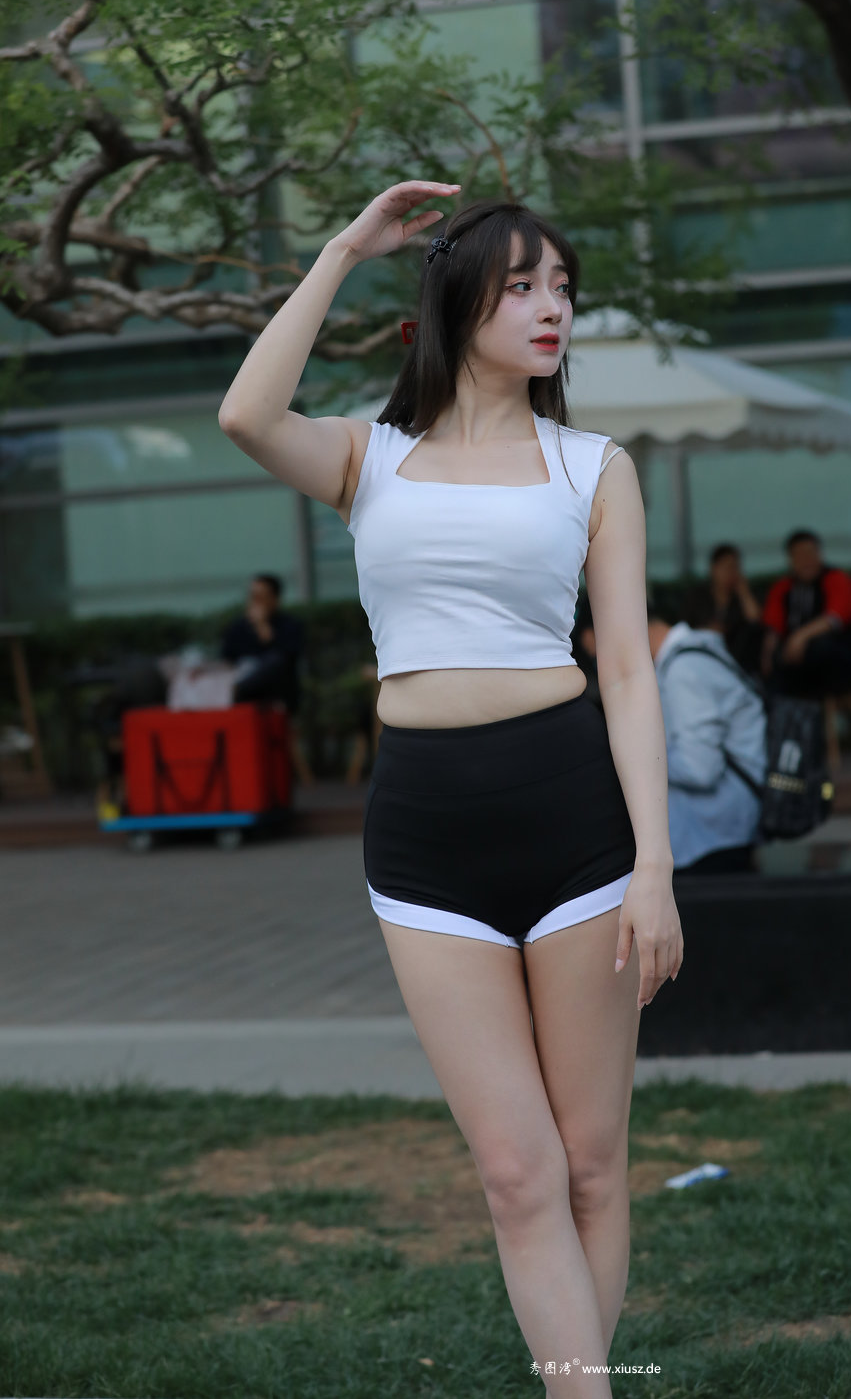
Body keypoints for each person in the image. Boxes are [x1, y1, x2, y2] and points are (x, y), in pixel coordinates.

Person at [218, 181, 682, 1395]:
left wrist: (655, 866)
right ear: (456, 302)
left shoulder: (593, 468)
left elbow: (626, 673)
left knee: (590, 1166)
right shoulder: (369, 458)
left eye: (562, 287)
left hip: (574, 821)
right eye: (522, 286)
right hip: (425, 837)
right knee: (517, 1175)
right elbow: (246, 413)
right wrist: (341, 249)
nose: (552, 308)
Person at [648, 586, 767, 874]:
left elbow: (700, 768)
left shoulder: (683, 669)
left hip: (715, 834)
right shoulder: (698, 649)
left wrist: (639, 761)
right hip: (731, 823)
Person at [762, 528, 851, 699]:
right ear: (790, 559)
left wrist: (800, 636)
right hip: (795, 662)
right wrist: (767, 656)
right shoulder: (783, 587)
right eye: (800, 555)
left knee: (822, 646)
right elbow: (773, 628)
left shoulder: (836, 578)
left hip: (840, 660)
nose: (806, 560)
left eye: (810, 553)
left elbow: (835, 618)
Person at [220, 572, 304, 715]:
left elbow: (288, 658)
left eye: (260, 597)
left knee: (275, 661)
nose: (255, 602)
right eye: (252, 596)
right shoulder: (238, 627)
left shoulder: (290, 625)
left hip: (276, 691)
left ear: (275, 599)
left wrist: (263, 627)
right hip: (242, 689)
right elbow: (227, 659)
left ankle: (239, 689)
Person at [708, 541, 765, 678]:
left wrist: (744, 592)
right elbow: (687, 626)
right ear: (714, 569)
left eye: (735, 567)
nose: (731, 573)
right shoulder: (699, 596)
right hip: (707, 655)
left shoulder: (742, 596)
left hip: (739, 659)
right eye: (726, 567)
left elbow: (756, 620)